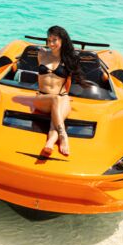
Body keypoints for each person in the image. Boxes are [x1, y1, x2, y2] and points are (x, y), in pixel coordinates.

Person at [33, 26, 84, 156]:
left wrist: (66, 96)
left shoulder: (69, 60)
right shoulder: (42, 54)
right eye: (49, 40)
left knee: (55, 120)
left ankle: (50, 142)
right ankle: (63, 136)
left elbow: (68, 81)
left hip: (61, 97)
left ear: (62, 40)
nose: (51, 44)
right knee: (55, 99)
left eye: (54, 40)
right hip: (43, 99)